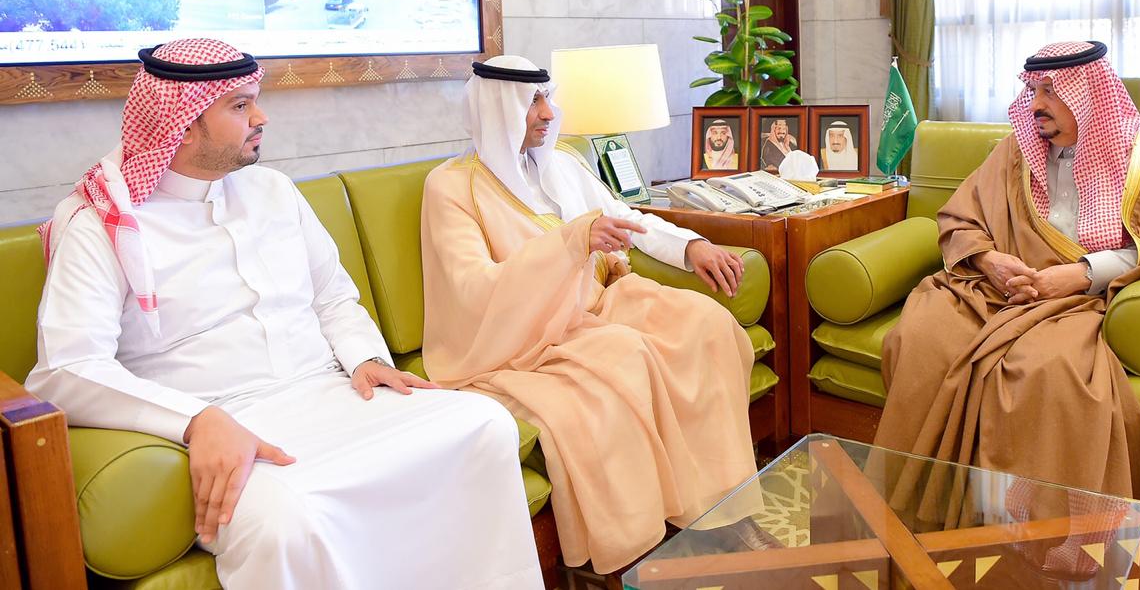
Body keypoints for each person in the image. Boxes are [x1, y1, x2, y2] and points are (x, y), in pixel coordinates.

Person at [26, 39, 541, 590]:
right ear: (185, 123)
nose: (261, 117)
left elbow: (332, 296)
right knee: (288, 519)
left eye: (256, 100)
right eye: (241, 105)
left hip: (331, 392)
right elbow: (66, 368)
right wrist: (197, 421)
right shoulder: (101, 223)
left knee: (482, 423)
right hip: (229, 422)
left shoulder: (273, 190)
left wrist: (366, 358)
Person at [420, 55, 774, 574]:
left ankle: (723, 507)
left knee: (707, 325)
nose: (548, 112)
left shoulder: (561, 163)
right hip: (529, 335)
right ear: (498, 108)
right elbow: (473, 291)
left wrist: (691, 245)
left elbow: (624, 217)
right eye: (532, 102)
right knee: (625, 357)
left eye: (547, 98)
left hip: (601, 300)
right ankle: (644, 547)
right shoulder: (452, 187)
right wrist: (571, 242)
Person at [875, 41, 1140, 541]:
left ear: (1088, 93)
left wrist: (1078, 274)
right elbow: (961, 218)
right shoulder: (1015, 151)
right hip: (995, 289)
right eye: (1033, 90)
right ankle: (927, 511)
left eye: (1050, 90)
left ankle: (1035, 538)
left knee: (1046, 372)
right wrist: (989, 260)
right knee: (920, 337)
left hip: (1078, 299)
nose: (1036, 103)